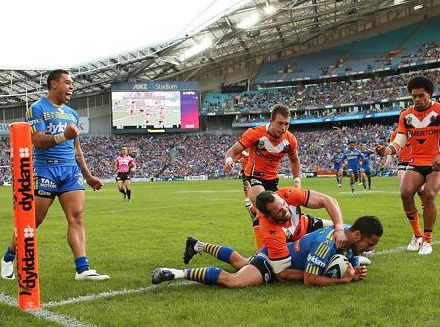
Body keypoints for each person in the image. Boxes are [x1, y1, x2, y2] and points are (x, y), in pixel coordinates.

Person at [0, 69, 109, 280]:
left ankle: (83, 269)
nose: (71, 87)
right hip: (45, 170)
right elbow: (37, 140)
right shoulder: (37, 108)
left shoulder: (72, 114)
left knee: (76, 217)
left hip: (70, 171)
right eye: (67, 83)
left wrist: (88, 176)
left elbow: (77, 148)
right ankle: (8, 256)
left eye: (72, 83)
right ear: (53, 84)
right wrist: (63, 135)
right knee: (33, 221)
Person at [151, 216, 383, 288]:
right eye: (370, 244)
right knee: (235, 281)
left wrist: (355, 271)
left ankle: (198, 245)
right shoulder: (327, 243)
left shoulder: (348, 242)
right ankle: (175, 273)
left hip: (274, 255)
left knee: (241, 262)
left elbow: (349, 264)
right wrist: (343, 280)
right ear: (357, 235)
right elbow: (310, 280)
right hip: (272, 262)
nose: (370, 250)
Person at [376, 76, 440, 255]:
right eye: (414, 96)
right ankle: (417, 235)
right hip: (415, 162)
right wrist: (388, 150)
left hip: (436, 162)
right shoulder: (406, 115)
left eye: (421, 95)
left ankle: (427, 240)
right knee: (405, 193)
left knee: (429, 194)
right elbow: (400, 139)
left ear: (429, 94)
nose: (417, 99)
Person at [223, 104, 301, 247]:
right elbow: (232, 151)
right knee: (265, 208)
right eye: (280, 123)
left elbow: (294, 160)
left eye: (287, 124)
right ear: (271, 121)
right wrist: (229, 160)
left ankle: (253, 211)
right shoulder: (255, 133)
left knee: (280, 212)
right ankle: (262, 254)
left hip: (272, 181)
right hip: (253, 177)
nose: (283, 128)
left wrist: (297, 181)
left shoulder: (290, 140)